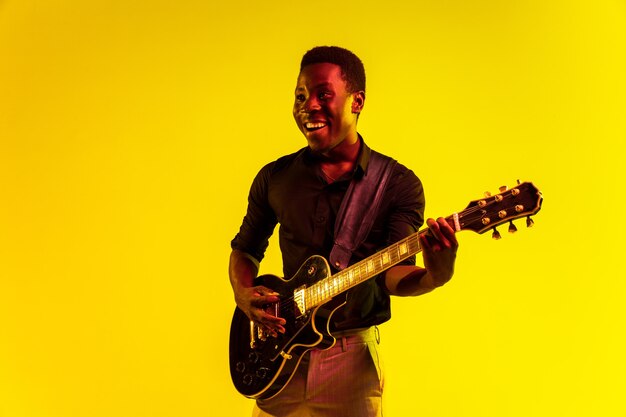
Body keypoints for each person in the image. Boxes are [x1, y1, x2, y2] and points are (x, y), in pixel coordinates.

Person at [229, 46, 458, 417]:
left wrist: (436, 274)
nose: (308, 106)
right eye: (300, 96)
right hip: (280, 356)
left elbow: (392, 276)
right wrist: (242, 292)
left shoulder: (397, 184)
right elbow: (245, 248)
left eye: (323, 94)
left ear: (357, 102)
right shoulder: (275, 177)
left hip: (350, 361)